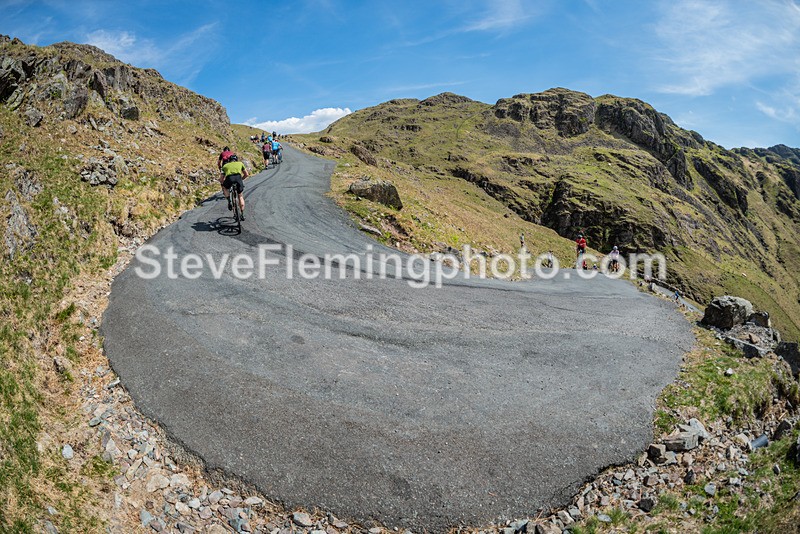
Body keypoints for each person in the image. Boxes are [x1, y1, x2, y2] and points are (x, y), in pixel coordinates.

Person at [220, 154, 248, 220]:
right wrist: (241, 179)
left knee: (224, 187)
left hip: (229, 178)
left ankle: (229, 200)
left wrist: (222, 183)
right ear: (236, 160)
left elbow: (221, 179)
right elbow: (246, 174)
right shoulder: (240, 163)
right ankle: (242, 214)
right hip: (238, 178)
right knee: (240, 196)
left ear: (229, 160)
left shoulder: (225, 166)